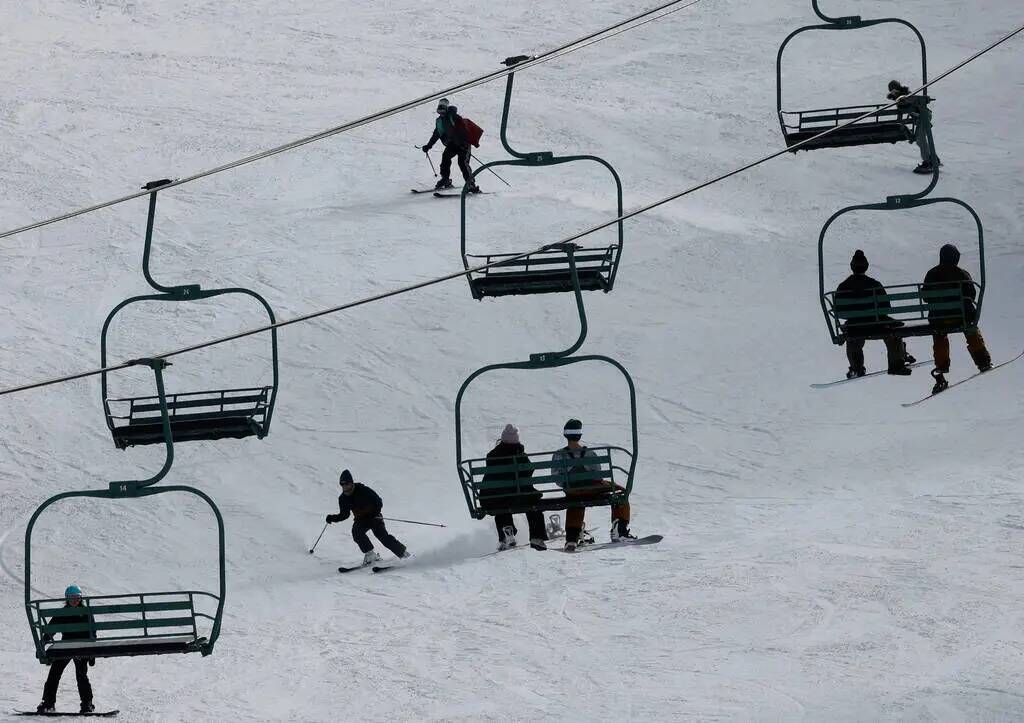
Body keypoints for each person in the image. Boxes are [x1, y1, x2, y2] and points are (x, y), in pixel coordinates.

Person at [552, 419, 635, 552]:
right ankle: (620, 529)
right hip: (592, 489)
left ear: (565, 435)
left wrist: (568, 483)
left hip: (573, 491)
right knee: (621, 492)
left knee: (576, 501)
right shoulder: (590, 453)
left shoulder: (558, 455)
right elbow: (598, 476)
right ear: (579, 435)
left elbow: (557, 478)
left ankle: (572, 538)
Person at [923, 243, 992, 393]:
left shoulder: (931, 274)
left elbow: (926, 298)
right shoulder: (962, 274)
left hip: (939, 319)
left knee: (939, 334)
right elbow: (971, 294)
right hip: (961, 318)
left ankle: (941, 367)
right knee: (970, 329)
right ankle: (983, 361)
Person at [835, 249, 914, 378]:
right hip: (876, 324)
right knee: (893, 332)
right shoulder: (874, 284)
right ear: (866, 267)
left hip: (855, 325)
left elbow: (839, 310)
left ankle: (856, 367)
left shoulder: (843, 286)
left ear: (852, 267)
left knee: (853, 336)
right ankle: (896, 363)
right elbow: (885, 308)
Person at [480, 424, 548, 551]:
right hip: (520, 497)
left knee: (500, 505)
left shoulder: (492, 455)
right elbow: (529, 471)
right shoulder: (521, 455)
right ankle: (536, 537)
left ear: (503, 439)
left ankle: (507, 531)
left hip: (496, 497)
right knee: (534, 506)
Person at [326, 469, 409, 566]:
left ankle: (404, 554)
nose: (345, 487)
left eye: (347, 484)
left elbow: (378, 502)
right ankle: (370, 555)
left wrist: (374, 514)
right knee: (356, 532)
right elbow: (345, 514)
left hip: (374, 517)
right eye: (342, 485)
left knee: (383, 537)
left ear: (351, 483)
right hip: (361, 520)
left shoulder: (363, 490)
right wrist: (332, 518)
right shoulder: (343, 498)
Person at [37, 585, 95, 714]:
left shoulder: (85, 612)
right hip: (67, 647)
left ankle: (87, 704)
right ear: (67, 599)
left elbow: (92, 633)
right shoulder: (63, 613)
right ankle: (48, 703)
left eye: (77, 598)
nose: (74, 601)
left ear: (80, 598)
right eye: (71, 598)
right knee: (54, 673)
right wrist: (44, 642)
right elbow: (51, 630)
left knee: (81, 675)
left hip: (81, 647)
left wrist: (92, 653)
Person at [421, 98, 480, 193]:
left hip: (463, 144)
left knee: (463, 163)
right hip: (452, 144)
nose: (441, 113)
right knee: (445, 158)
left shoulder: (454, 117)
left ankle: (471, 184)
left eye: (443, 110)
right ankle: (445, 180)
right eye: (440, 111)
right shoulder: (439, 121)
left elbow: (463, 129)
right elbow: (436, 134)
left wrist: (461, 141)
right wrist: (428, 146)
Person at [887, 80, 940, 175]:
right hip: (921, 117)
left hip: (923, 115)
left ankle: (928, 163)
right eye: (892, 91)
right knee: (921, 141)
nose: (893, 92)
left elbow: (911, 102)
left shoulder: (906, 95)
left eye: (894, 90)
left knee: (921, 140)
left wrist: (904, 102)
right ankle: (934, 159)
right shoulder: (899, 98)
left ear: (898, 88)